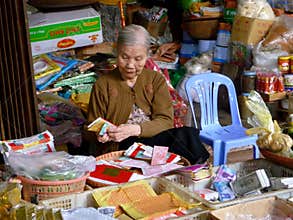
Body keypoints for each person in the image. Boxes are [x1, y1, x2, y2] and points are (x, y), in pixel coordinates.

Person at [87, 24, 209, 164]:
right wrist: (101, 133)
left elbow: (165, 121)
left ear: (147, 56)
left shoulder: (155, 79)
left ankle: (201, 173)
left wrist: (135, 129)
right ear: (116, 52)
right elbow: (90, 127)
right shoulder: (103, 85)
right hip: (121, 146)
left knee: (186, 135)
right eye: (124, 57)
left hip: (151, 139)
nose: (130, 65)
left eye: (138, 59)